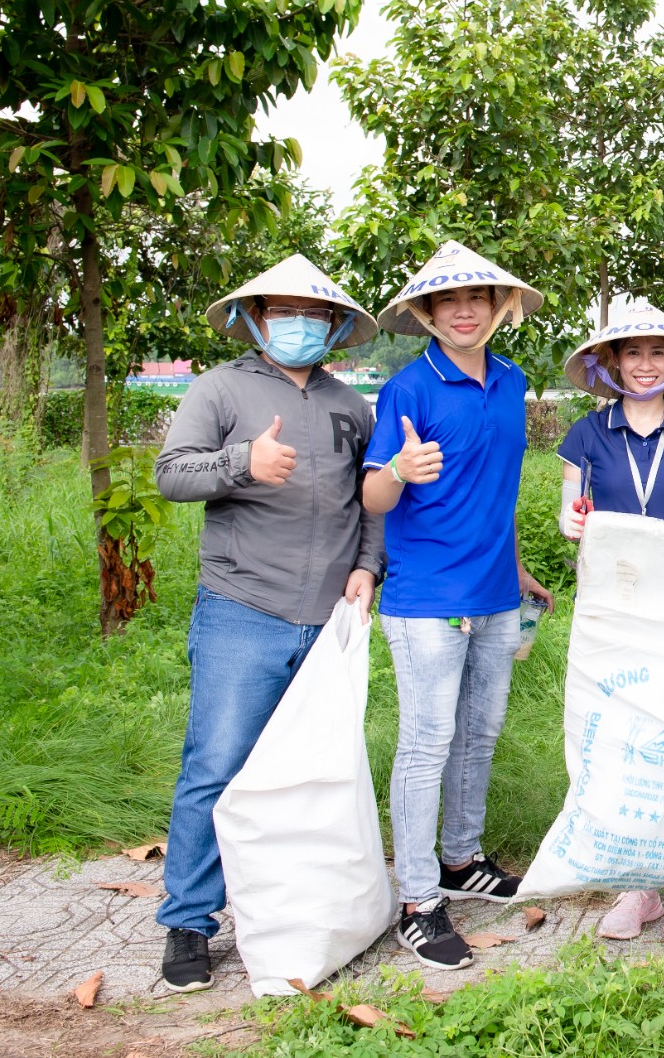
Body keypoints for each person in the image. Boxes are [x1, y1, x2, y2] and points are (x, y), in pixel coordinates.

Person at [152, 255, 384, 992]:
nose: (300, 324)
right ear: (254, 319)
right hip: (240, 610)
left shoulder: (352, 404)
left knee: (313, 773)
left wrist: (368, 566)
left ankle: (297, 910)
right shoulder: (218, 388)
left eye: (314, 315)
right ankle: (189, 921)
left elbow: (372, 501)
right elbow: (171, 472)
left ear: (337, 326)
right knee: (215, 766)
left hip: (328, 619)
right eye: (284, 311)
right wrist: (243, 461)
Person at [360, 242, 554, 970]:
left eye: (477, 298)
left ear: (500, 307)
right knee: (427, 740)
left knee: (481, 731)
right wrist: (401, 471)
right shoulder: (409, 389)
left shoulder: (512, 382)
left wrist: (519, 569)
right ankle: (417, 900)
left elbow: (491, 496)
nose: (463, 310)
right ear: (427, 313)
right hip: (426, 596)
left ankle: (460, 857)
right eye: (447, 301)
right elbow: (373, 494)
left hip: (496, 591)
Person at [553, 306, 664, 944]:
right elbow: (569, 510)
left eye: (659, 353)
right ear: (612, 364)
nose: (646, 365)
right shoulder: (587, 431)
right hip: (615, 601)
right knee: (623, 737)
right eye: (634, 354)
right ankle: (637, 887)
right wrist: (572, 524)